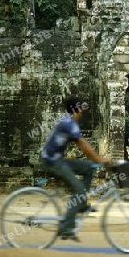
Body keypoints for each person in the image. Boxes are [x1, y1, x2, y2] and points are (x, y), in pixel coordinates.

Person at [41, 96, 110, 239]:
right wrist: (99, 159)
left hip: (57, 159)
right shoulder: (69, 123)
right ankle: (66, 228)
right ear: (77, 110)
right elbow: (83, 144)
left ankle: (82, 204)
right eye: (81, 110)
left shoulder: (68, 120)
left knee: (89, 167)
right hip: (53, 162)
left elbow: (83, 143)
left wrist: (95, 161)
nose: (82, 113)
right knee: (79, 190)